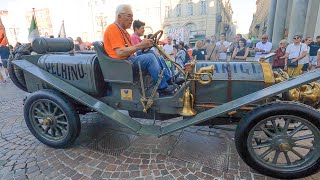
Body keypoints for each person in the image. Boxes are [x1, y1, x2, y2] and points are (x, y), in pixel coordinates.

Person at [103, 4, 175, 95]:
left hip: (127, 60)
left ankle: (169, 80)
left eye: (132, 16)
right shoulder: (112, 29)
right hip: (121, 64)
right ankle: (162, 87)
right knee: (150, 58)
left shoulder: (123, 31)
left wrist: (144, 47)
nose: (132, 19)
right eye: (129, 16)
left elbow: (130, 50)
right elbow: (120, 52)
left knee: (152, 53)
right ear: (119, 16)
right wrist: (140, 45)